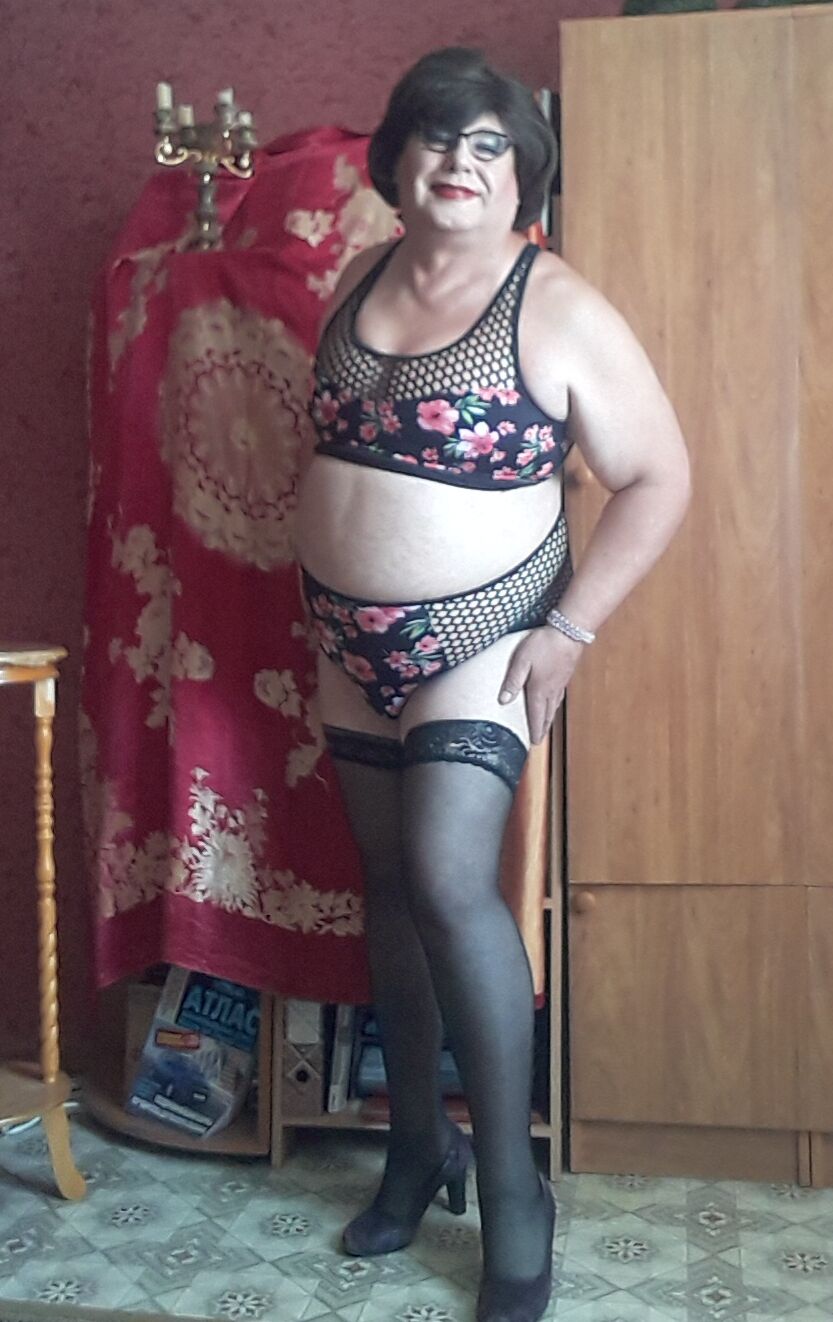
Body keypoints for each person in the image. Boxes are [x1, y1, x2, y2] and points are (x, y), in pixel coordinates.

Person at [295, 46, 690, 1322]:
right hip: (345, 638)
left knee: (449, 881)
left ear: (522, 174)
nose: (459, 162)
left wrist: (570, 628)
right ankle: (418, 1145)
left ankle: (516, 1187)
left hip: (485, 630)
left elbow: (658, 477)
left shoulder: (555, 303)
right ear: (395, 159)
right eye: (436, 137)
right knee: (386, 888)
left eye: (487, 145)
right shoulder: (355, 277)